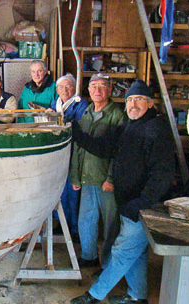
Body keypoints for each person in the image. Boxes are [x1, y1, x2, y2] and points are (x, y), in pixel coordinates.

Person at [69, 79, 175, 304]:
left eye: (139, 100)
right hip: (129, 203)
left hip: (144, 207)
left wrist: (142, 202)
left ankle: (94, 295)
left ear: (150, 103)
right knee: (135, 254)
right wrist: (75, 132)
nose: (133, 105)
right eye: (129, 100)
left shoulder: (156, 129)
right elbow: (103, 147)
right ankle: (137, 296)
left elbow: (163, 174)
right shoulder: (129, 125)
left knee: (122, 251)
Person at [71, 73, 125, 270]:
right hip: (87, 177)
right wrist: (75, 175)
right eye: (93, 86)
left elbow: (119, 151)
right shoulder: (86, 112)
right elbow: (78, 146)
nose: (97, 91)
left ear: (110, 90)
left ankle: (109, 264)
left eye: (102, 86)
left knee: (111, 224)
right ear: (88, 90)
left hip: (105, 180)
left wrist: (111, 178)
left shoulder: (117, 115)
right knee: (86, 220)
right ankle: (89, 256)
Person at [47, 73, 89, 241]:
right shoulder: (55, 103)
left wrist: (60, 120)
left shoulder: (81, 104)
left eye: (68, 87)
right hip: (59, 154)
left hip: (74, 152)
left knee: (73, 190)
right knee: (60, 190)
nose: (65, 90)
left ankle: (75, 229)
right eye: (61, 87)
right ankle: (61, 224)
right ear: (56, 90)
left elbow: (79, 128)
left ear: (74, 88)